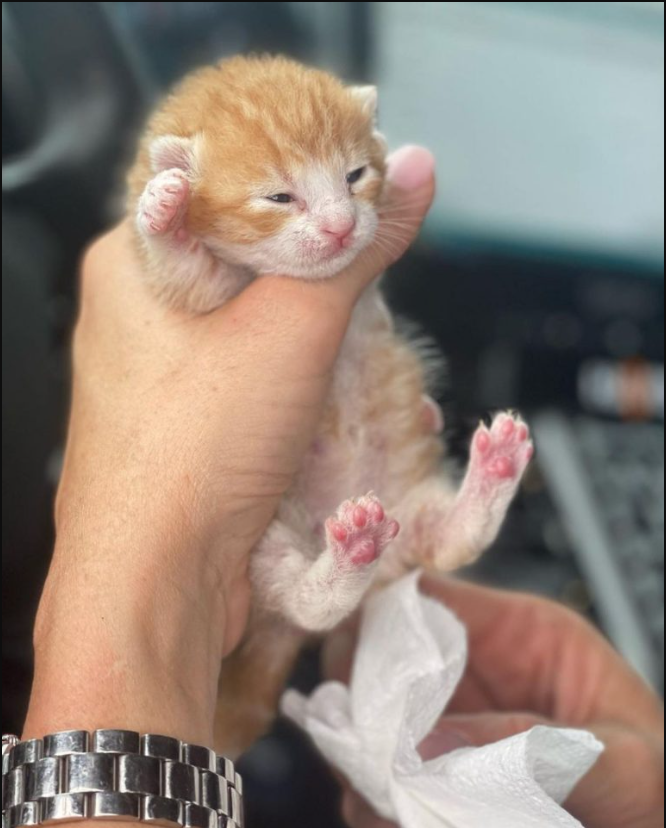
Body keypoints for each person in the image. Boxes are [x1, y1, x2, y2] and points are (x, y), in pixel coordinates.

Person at [21, 147, 663, 828]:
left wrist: (124, 603)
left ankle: (453, 506)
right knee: (349, 552)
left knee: (409, 534)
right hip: (337, 496)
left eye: (352, 181)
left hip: (348, 490)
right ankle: (369, 551)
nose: (333, 218)